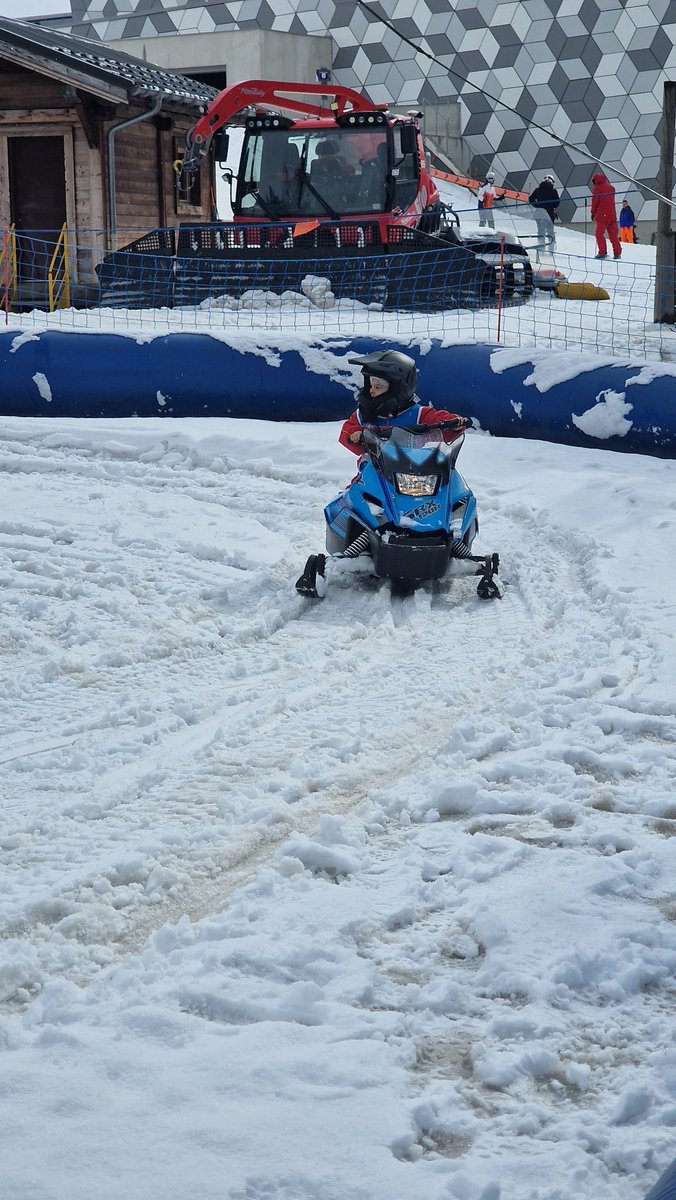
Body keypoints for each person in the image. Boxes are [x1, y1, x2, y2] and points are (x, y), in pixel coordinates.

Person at [340, 350, 467, 458]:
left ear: (397, 389)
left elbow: (438, 420)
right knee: (354, 488)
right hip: (373, 471)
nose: (371, 390)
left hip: (411, 471)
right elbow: (346, 431)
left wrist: (454, 423)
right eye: (370, 385)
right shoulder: (364, 414)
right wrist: (355, 434)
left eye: (378, 386)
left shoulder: (418, 414)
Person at [590, 172, 621, 259]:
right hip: (612, 215)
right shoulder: (611, 188)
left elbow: (595, 202)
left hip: (602, 215)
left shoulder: (597, 189)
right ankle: (617, 253)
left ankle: (602, 252)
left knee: (599, 234)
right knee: (613, 235)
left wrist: (593, 213)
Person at [528, 173, 560, 252]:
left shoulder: (538, 190)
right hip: (549, 214)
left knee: (540, 232)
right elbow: (557, 203)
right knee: (550, 232)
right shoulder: (553, 191)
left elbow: (531, 199)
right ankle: (551, 250)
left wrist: (537, 205)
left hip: (539, 214)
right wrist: (551, 206)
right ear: (552, 181)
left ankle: (541, 250)